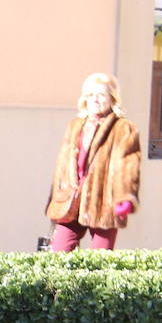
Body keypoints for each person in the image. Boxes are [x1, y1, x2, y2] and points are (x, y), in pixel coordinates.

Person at [45, 73, 142, 252]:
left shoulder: (122, 128)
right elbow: (63, 165)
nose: (95, 100)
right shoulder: (76, 125)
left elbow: (127, 164)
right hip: (71, 202)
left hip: (104, 202)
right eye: (90, 95)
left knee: (100, 261)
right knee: (58, 254)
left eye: (101, 95)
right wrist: (55, 198)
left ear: (112, 99)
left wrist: (125, 197)